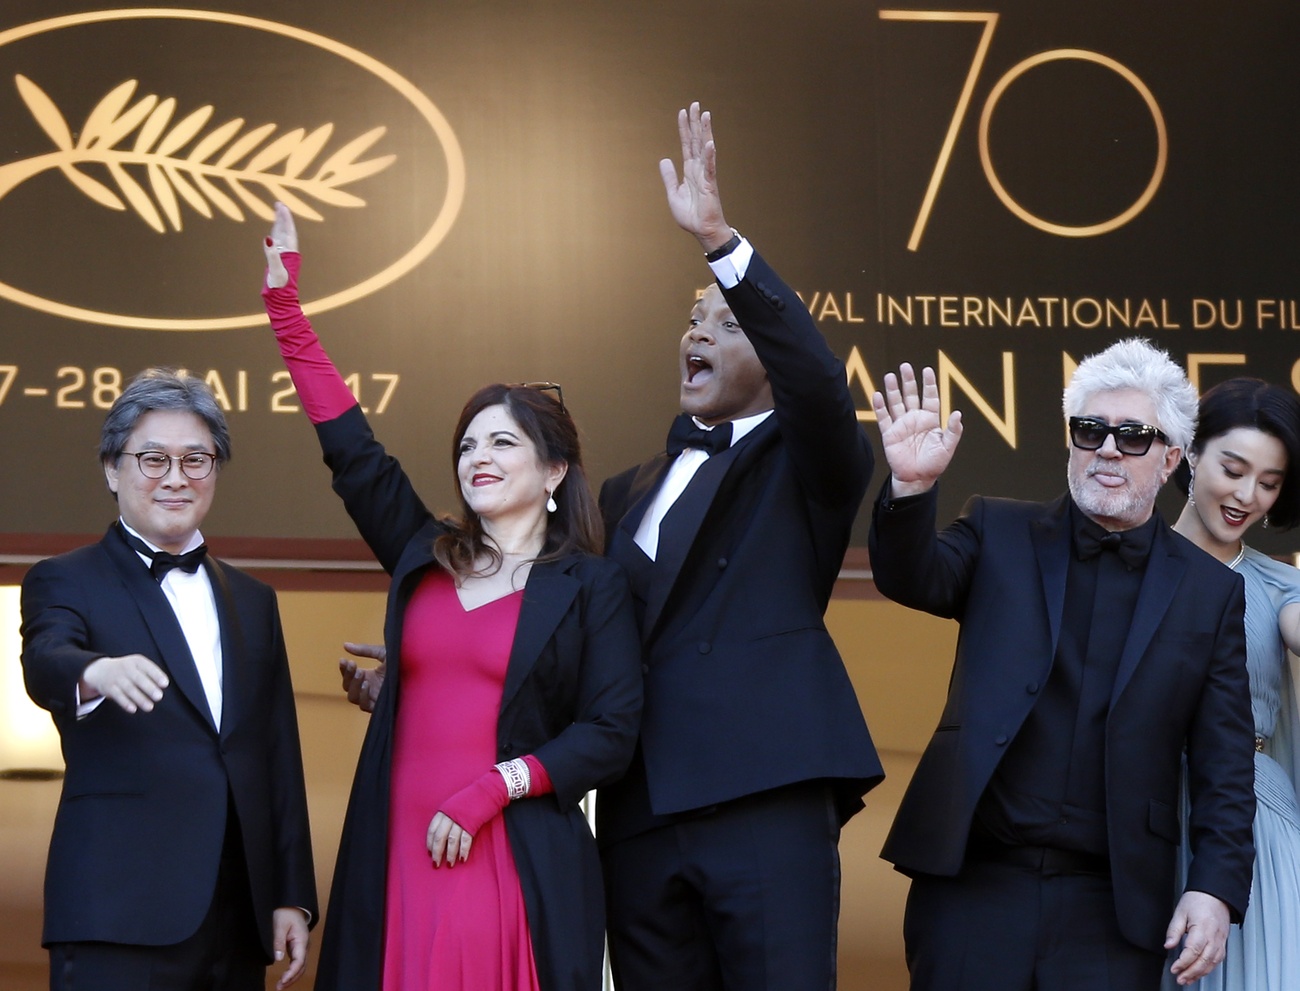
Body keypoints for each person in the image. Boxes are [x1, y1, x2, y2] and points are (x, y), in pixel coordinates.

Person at [260, 204, 642, 991]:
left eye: (503, 441)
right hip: (397, 843)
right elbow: (354, 454)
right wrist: (287, 313)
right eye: (468, 442)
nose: (478, 456)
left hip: (508, 846)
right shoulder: (424, 553)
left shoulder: (591, 585)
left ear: (555, 471)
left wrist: (490, 789)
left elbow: (609, 732)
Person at [593, 103, 882, 990]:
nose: (696, 333)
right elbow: (578, 638)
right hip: (641, 808)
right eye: (692, 320)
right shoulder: (623, 491)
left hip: (764, 792)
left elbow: (817, 383)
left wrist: (721, 244)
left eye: (722, 323)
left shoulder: (811, 460)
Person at [867, 340, 1257, 991]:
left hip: (1114, 904)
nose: (1108, 448)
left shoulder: (1208, 590)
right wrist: (911, 487)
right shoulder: (998, 529)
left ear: (1170, 459)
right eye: (1091, 430)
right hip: (973, 884)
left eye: (1133, 436)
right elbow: (914, 578)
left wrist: (1214, 889)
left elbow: (1224, 761)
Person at [20, 369, 317, 991]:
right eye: (153, 459)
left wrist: (291, 893)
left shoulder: (255, 599)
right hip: (115, 909)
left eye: (195, 460)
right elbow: (45, 657)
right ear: (112, 468)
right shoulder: (65, 578)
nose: (176, 478)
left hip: (236, 914)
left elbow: (275, 754)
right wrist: (94, 670)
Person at [1163, 377, 1300, 991]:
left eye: (1268, 483)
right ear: (1191, 452)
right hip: (1144, 810)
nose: (1247, 495)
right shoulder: (1126, 567)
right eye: (1233, 468)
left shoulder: (1278, 587)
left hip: (1254, 823)